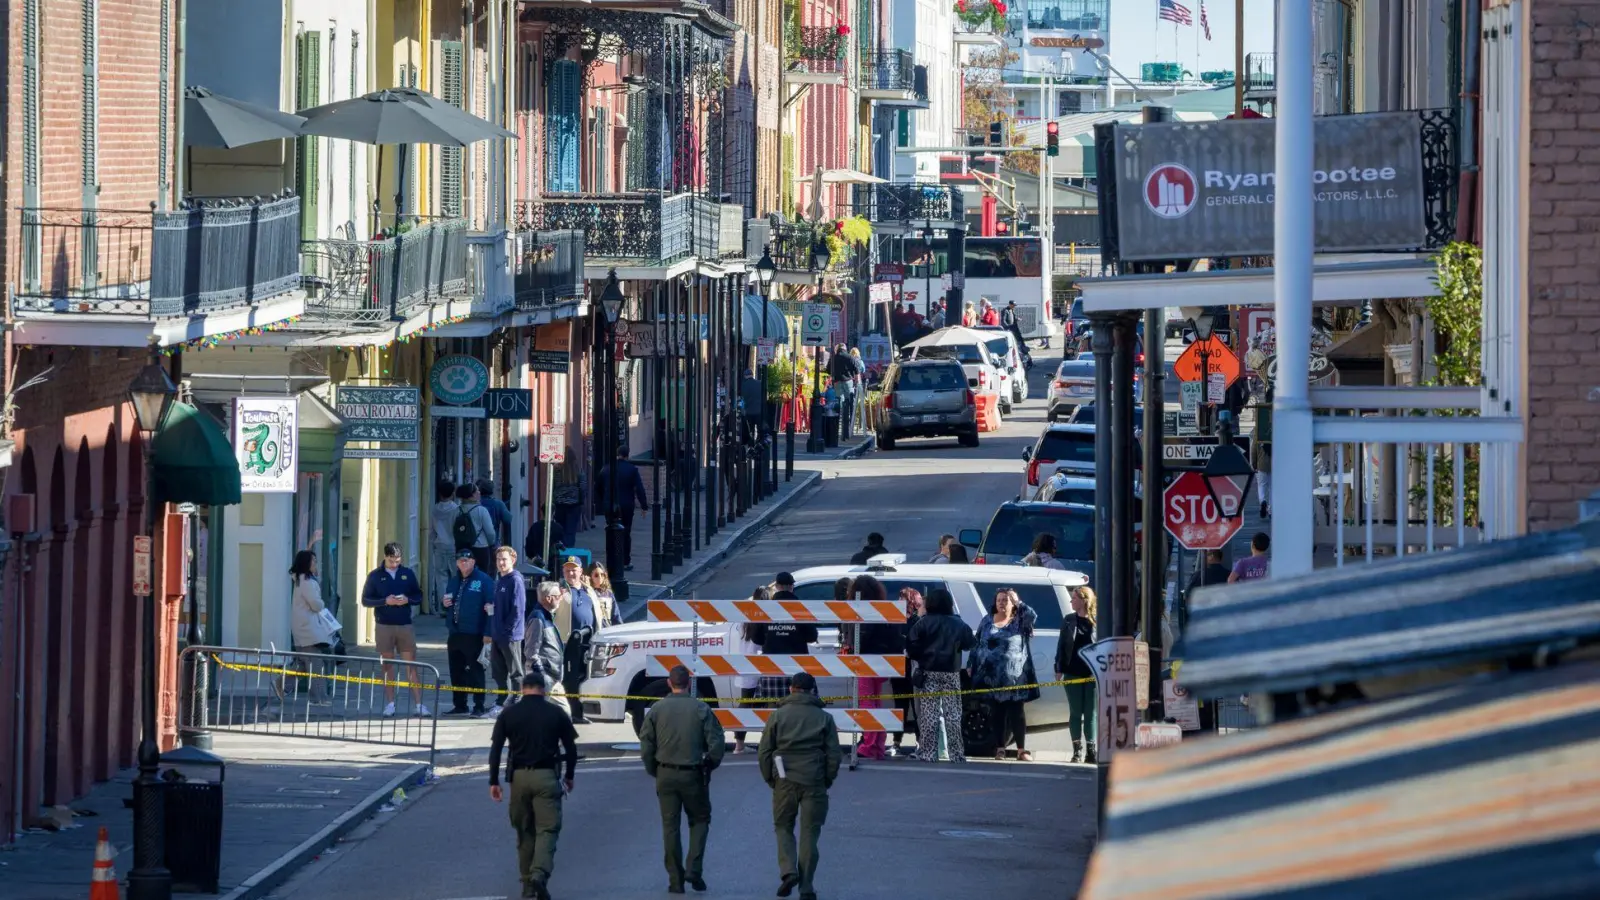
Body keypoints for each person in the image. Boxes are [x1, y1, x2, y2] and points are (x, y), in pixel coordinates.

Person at [488, 672, 578, 900]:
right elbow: (571, 749)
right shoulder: (555, 712)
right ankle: (539, 874)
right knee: (547, 829)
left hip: (518, 778)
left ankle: (527, 885)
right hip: (547, 776)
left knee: (524, 832)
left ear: (522, 689)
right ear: (544, 690)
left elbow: (496, 749)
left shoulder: (509, 714)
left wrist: (493, 781)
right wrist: (569, 776)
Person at [639, 664, 727, 894]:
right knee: (699, 820)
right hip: (693, 773)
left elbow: (646, 744)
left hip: (665, 773)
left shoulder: (657, 710)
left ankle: (675, 879)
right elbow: (717, 743)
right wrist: (710, 764)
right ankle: (694, 868)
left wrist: (653, 769)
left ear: (669, 683)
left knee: (670, 827)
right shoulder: (700, 708)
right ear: (688, 683)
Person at [758, 672, 842, 900]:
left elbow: (764, 751)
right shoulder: (824, 718)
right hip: (814, 779)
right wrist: (827, 779)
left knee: (783, 827)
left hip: (783, 778)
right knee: (810, 833)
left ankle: (788, 871)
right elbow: (834, 753)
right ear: (812, 690)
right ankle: (806, 887)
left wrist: (770, 779)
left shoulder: (777, 716)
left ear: (791, 689)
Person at [905, 588, 975, 762]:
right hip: (951, 672)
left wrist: (921, 655)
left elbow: (911, 647)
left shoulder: (923, 623)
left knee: (929, 715)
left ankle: (929, 753)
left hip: (928, 671)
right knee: (953, 714)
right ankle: (957, 754)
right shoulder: (958, 623)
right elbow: (970, 643)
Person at [969, 588, 1040, 761]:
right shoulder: (987, 621)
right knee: (996, 713)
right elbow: (977, 642)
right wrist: (971, 663)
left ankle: (1021, 750)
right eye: (999, 600)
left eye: (1006, 600)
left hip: (1015, 677)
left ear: (1012, 604)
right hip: (991, 677)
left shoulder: (1020, 621)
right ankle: (1000, 748)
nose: (1002, 603)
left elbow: (1033, 616)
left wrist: (1018, 602)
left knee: (1017, 712)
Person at [360, 542, 428, 717]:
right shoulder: (375, 576)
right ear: (385, 557)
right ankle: (390, 704)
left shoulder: (407, 573)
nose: (394, 564)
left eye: (397, 560)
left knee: (411, 664)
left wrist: (407, 600)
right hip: (384, 625)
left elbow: (418, 595)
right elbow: (366, 600)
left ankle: (419, 704)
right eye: (391, 560)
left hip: (404, 623)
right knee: (387, 666)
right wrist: (385, 601)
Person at [848, 575, 899, 760]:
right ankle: (877, 744)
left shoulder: (864, 611)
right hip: (882, 661)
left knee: (867, 703)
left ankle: (869, 745)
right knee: (875, 702)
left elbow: (861, 637)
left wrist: (852, 647)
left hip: (866, 662)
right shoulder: (882, 609)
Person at [442, 548, 495, 716]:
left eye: (466, 560)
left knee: (476, 671)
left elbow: (491, 608)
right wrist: (445, 603)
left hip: (474, 633)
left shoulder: (484, 580)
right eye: (460, 561)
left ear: (473, 562)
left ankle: (479, 705)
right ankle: (460, 704)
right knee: (456, 670)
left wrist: (488, 633)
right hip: (455, 632)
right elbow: (449, 599)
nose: (463, 563)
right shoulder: (454, 580)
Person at [483, 546, 528, 714]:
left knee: (515, 670)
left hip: (510, 636)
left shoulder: (515, 580)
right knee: (498, 671)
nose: (501, 563)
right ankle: (502, 701)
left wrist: (506, 630)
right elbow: (503, 606)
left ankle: (517, 700)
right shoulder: (500, 580)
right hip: (497, 634)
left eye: (504, 559)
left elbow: (518, 610)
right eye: (498, 559)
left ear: (513, 560)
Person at [1056, 587, 1098, 763]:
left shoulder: (1097, 622)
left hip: (1092, 674)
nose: (1071, 601)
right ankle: (1077, 750)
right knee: (1075, 712)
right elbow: (1061, 646)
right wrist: (1058, 668)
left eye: (1074, 598)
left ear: (1084, 600)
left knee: (1091, 712)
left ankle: (1091, 749)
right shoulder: (1068, 620)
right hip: (1072, 672)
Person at [288, 550, 335, 706]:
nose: (316, 564)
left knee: (303, 664)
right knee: (316, 664)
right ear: (306, 564)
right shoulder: (307, 581)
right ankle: (318, 698)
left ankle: (281, 684)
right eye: (313, 561)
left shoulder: (301, 579)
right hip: (308, 629)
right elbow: (316, 604)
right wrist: (322, 603)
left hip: (303, 628)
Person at [557, 558, 599, 721]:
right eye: (567, 570)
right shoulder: (559, 590)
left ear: (581, 572)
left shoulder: (589, 591)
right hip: (567, 642)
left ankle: (582, 711)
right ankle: (572, 712)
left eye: (574, 570)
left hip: (588, 642)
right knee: (569, 679)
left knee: (585, 677)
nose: (570, 573)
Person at [598, 445, 650, 570]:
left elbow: (598, 486)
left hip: (610, 504)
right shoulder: (631, 469)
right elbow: (639, 489)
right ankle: (625, 560)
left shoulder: (606, 468)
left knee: (611, 531)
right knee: (626, 532)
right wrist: (644, 506)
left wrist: (603, 500)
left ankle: (612, 560)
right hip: (626, 505)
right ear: (627, 455)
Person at [731, 586, 770, 754]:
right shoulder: (765, 616)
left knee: (745, 705)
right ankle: (766, 742)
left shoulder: (745, 617)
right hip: (761, 666)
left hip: (745, 667)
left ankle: (739, 745)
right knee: (767, 705)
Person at [525, 582, 571, 714]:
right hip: (544, 677)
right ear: (549, 598)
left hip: (552, 677)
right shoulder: (538, 618)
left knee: (563, 713)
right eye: (558, 596)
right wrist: (541, 674)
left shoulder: (546, 616)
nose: (560, 599)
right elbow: (531, 651)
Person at [888, 588, 923, 757]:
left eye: (903, 599)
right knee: (899, 706)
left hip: (913, 667)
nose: (899, 602)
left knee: (917, 708)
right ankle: (896, 742)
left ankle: (920, 742)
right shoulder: (894, 619)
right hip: (897, 667)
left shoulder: (918, 620)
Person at [453, 482, 498, 573]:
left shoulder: (456, 510)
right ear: (472, 495)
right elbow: (490, 532)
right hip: (480, 548)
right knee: (481, 575)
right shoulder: (481, 510)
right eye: (477, 491)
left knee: (463, 575)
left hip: (461, 547)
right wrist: (491, 543)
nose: (479, 493)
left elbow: (453, 530)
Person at [430, 480, 460, 614]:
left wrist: (432, 543)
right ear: (452, 493)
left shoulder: (435, 509)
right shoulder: (455, 509)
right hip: (453, 545)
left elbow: (431, 530)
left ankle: (444, 607)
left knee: (441, 577)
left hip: (439, 545)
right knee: (455, 577)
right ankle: (454, 605)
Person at [827, 344, 859, 441]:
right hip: (848, 382)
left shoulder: (833, 358)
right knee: (849, 403)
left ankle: (838, 425)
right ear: (845, 349)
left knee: (838, 402)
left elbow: (828, 370)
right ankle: (849, 426)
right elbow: (857, 370)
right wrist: (854, 378)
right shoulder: (850, 357)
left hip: (837, 382)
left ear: (837, 349)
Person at [585, 563, 623, 629]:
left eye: (602, 575)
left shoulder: (608, 594)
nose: (600, 577)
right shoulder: (587, 592)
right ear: (590, 576)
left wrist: (620, 628)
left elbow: (615, 615)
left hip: (607, 628)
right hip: (593, 629)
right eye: (596, 575)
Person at [479, 478, 514, 546]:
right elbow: (508, 519)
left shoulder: (476, 504)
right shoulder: (498, 504)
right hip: (493, 542)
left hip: (477, 543)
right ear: (492, 490)